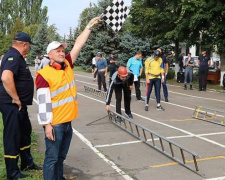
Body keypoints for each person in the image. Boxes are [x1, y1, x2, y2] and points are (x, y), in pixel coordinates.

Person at [35, 17, 100, 180]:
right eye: (58, 51)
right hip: (55, 124)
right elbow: (42, 103)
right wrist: (47, 125)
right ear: (49, 55)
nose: (62, 52)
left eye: (63, 50)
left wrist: (88, 27)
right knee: (51, 159)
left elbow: (79, 44)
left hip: (67, 123)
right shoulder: (44, 75)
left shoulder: (68, 66)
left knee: (61, 158)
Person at [0, 32, 42, 179]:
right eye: (29, 45)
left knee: (25, 132)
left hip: (20, 105)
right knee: (13, 136)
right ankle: (12, 171)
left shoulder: (18, 57)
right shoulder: (13, 56)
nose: (29, 48)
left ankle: (27, 162)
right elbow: (6, 77)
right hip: (12, 104)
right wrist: (16, 98)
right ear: (24, 44)